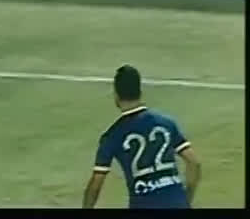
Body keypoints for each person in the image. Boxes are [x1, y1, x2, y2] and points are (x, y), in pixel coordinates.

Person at [82, 64, 202, 209]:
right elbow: (194, 163)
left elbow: (96, 184)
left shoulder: (112, 136)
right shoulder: (166, 123)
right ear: (140, 91)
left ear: (116, 95)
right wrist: (186, 199)